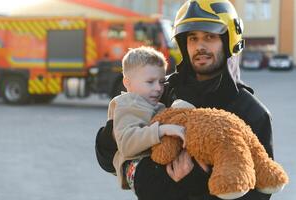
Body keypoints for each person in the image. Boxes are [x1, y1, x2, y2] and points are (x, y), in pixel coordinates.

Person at [95, 0, 273, 199]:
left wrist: (189, 183)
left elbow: (258, 193)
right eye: (192, 38)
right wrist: (117, 134)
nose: (200, 46)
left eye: (210, 36)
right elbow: (106, 157)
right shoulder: (163, 90)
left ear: (229, 40)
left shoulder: (251, 111)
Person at [107, 46, 186, 190]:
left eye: (162, 82)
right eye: (150, 82)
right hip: (132, 165)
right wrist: (161, 130)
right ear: (127, 83)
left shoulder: (153, 104)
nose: (158, 88)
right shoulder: (127, 105)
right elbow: (126, 144)